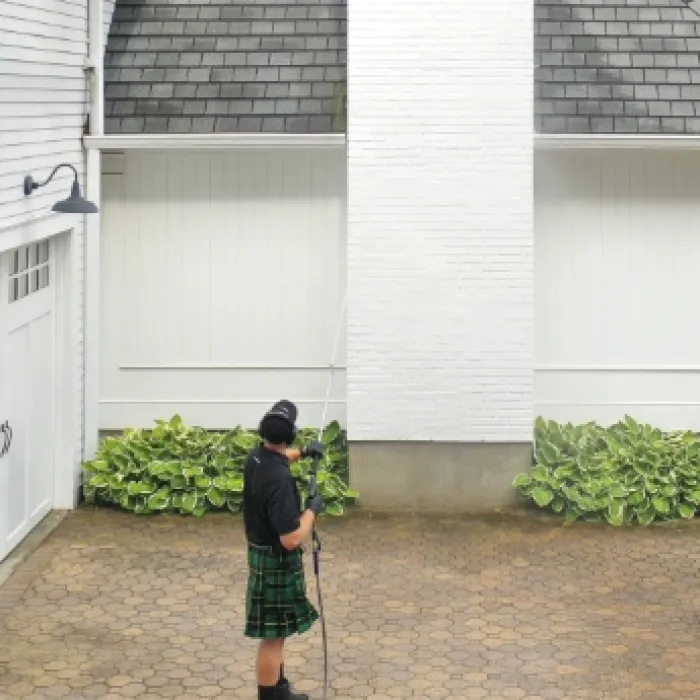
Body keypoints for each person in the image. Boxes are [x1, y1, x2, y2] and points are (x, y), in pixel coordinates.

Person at [243, 400, 326, 700]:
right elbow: (291, 538)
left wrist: (304, 453)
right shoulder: (279, 482)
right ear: (289, 435)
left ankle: (279, 690)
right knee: (272, 637)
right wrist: (312, 511)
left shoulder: (256, 458)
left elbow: (280, 458)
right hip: (275, 560)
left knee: (275, 634)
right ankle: (270, 697)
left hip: (260, 554)